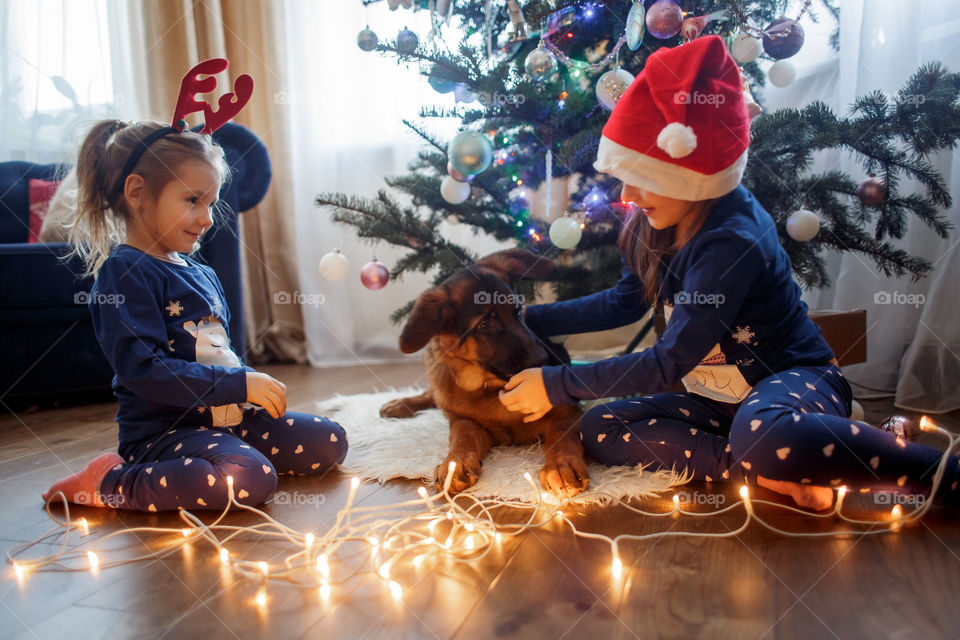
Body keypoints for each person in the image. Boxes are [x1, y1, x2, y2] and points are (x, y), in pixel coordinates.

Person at [499, 36, 959, 510]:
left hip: (793, 383)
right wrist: (530, 320)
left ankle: (935, 471)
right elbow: (625, 301)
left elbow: (668, 362)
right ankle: (764, 470)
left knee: (763, 431)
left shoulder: (732, 239)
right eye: (624, 176)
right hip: (718, 405)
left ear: (689, 174)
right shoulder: (654, 220)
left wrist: (557, 382)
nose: (627, 196)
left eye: (643, 176)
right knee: (598, 426)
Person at [41, 119, 347, 512]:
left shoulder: (200, 271)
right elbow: (144, 371)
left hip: (225, 420)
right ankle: (110, 482)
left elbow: (219, 351)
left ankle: (226, 452)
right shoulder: (126, 273)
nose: (207, 218)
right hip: (165, 433)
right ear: (137, 192)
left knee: (331, 441)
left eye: (211, 203)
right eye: (192, 200)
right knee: (249, 477)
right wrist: (238, 384)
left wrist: (245, 392)